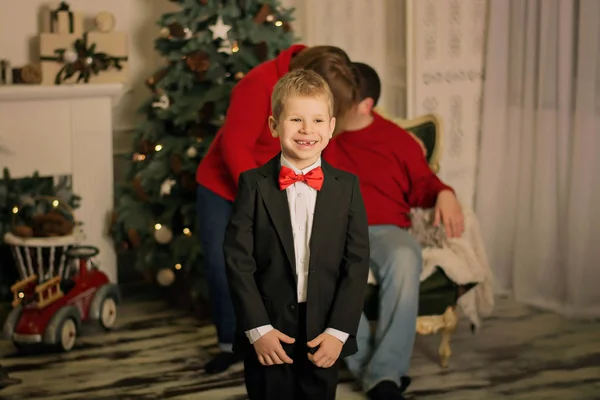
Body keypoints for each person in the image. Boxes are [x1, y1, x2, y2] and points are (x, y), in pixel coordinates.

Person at [195, 44, 361, 373]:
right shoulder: (257, 84)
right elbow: (235, 145)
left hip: (279, 182)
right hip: (229, 184)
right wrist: (262, 197)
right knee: (222, 262)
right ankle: (232, 342)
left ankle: (292, 342)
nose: (308, 126)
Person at [224, 69, 370, 400]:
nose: (307, 130)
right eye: (295, 120)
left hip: (324, 326)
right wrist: (258, 329)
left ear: (331, 127)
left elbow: (357, 263)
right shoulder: (253, 184)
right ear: (274, 125)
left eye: (318, 120)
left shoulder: (346, 188)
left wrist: (339, 332)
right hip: (268, 324)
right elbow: (237, 261)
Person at [322, 62, 465, 400]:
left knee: (405, 254)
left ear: (365, 105)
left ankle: (384, 376)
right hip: (334, 231)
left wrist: (445, 192)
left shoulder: (396, 140)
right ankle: (377, 371)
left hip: (386, 230)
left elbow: (424, 185)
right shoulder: (320, 134)